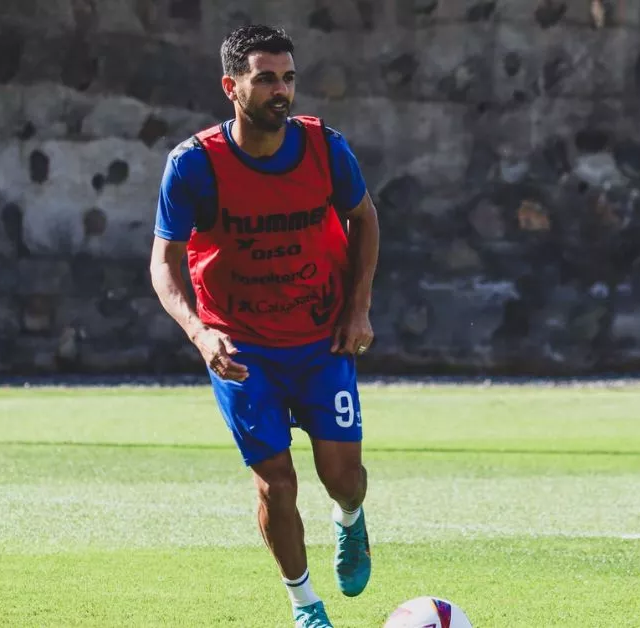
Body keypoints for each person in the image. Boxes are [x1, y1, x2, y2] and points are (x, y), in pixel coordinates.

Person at [148, 24, 380, 628]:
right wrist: (201, 335)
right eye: (266, 79)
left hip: (321, 339)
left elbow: (364, 217)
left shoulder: (326, 147)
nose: (282, 91)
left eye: (289, 78)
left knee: (342, 477)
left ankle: (351, 521)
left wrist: (358, 308)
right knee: (276, 483)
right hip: (241, 348)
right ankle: (306, 607)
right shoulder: (193, 166)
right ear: (232, 86)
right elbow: (163, 264)